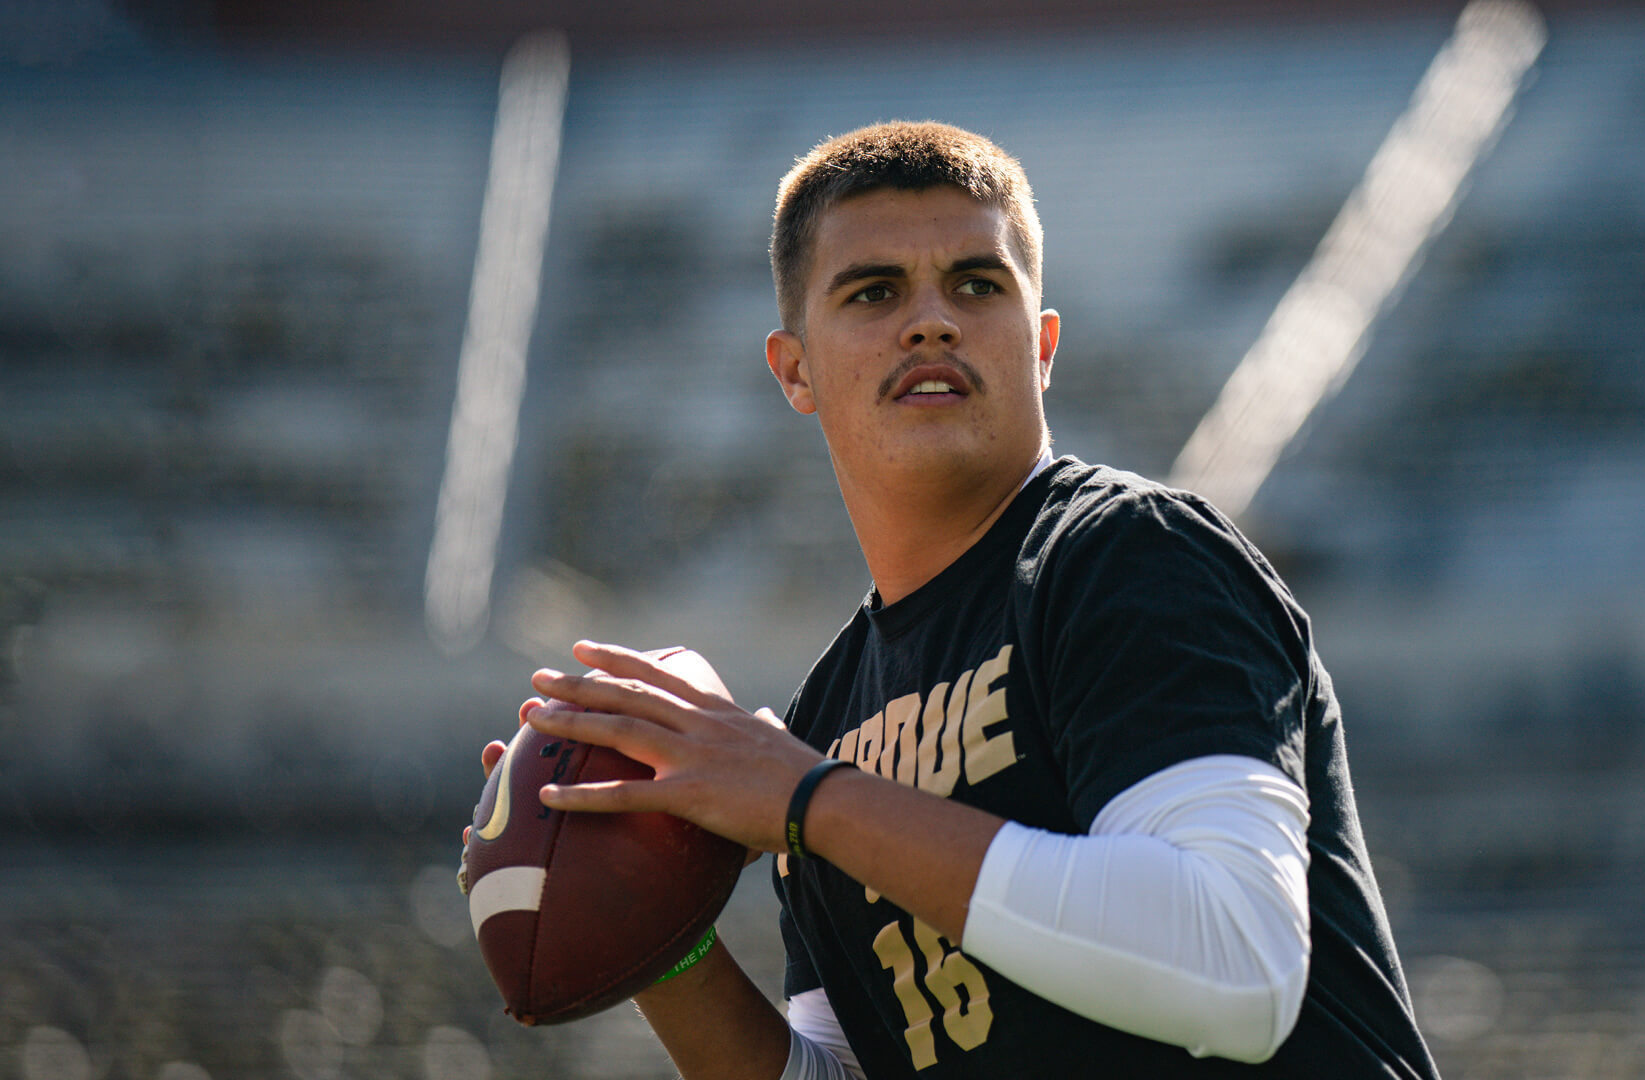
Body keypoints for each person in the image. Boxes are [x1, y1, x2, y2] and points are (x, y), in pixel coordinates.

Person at [486, 121, 1440, 1079]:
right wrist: (654, 925)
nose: (931, 320)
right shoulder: (828, 717)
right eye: (874, 291)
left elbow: (1237, 968)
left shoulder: (1126, 555)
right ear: (794, 369)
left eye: (979, 285)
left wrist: (810, 798)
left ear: (1043, 344)